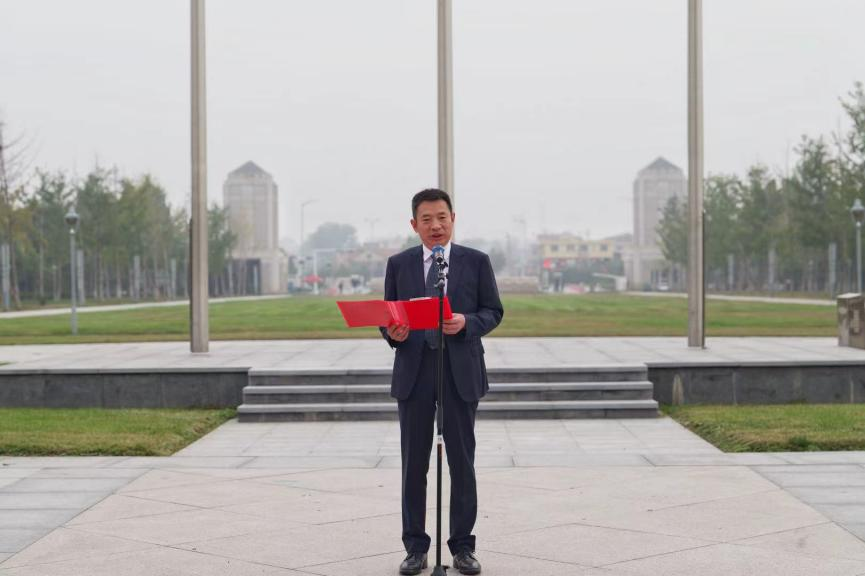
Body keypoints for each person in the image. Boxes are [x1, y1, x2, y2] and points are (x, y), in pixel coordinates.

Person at [381, 188, 503, 575]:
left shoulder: (476, 261)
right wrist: (393, 333)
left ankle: (463, 548)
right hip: (415, 374)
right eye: (427, 219)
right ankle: (415, 548)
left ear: (453, 219)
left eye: (442, 218)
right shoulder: (399, 264)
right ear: (414, 224)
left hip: (460, 372)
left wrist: (467, 322)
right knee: (413, 465)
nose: (435, 226)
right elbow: (389, 316)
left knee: (462, 463)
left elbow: (493, 311)